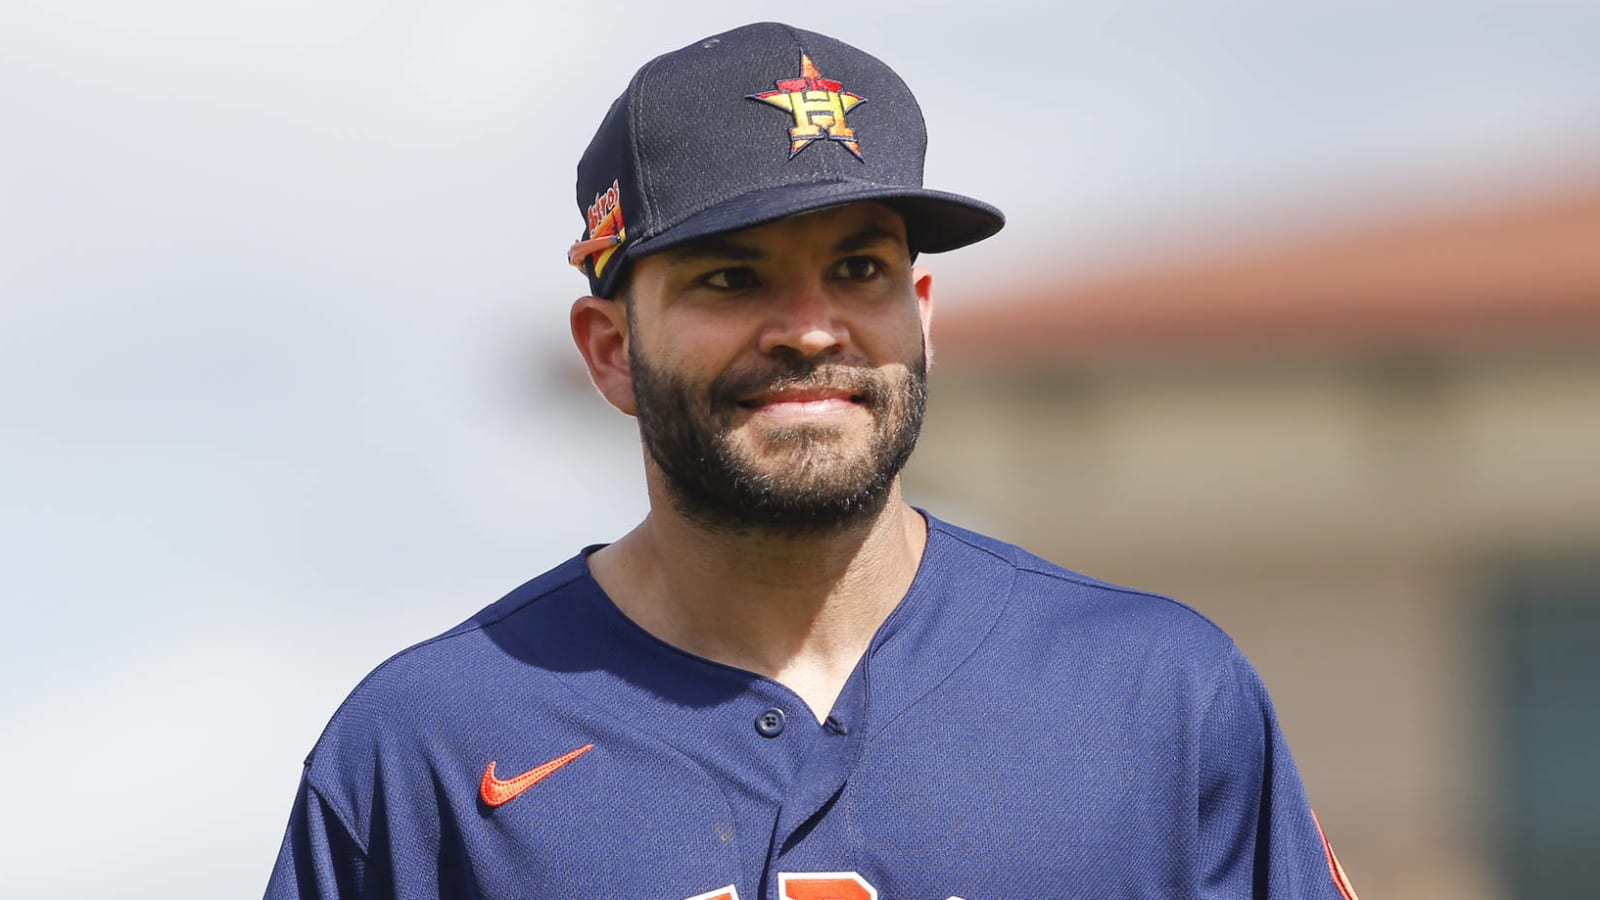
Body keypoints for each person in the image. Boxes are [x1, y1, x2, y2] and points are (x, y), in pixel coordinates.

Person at [266, 22, 1359, 900]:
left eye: (858, 267)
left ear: (918, 315)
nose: (811, 327)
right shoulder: (431, 746)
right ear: (610, 352)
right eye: (730, 279)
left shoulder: (1155, 693)